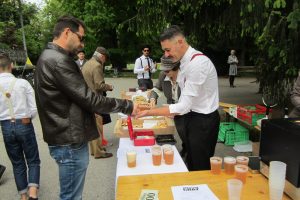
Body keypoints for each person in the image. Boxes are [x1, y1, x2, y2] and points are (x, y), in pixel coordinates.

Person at [34, 16, 136, 200]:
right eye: (81, 38)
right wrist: (127, 105)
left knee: (71, 194)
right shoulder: (58, 61)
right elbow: (90, 99)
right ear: (67, 32)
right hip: (69, 140)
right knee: (71, 196)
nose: (82, 44)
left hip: (64, 137)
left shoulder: (49, 57)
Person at [137, 25, 220, 171]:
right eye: (164, 51)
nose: (166, 55)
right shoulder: (184, 62)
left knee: (200, 167)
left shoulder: (198, 64)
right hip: (191, 117)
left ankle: (200, 191)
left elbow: (183, 106)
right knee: (191, 162)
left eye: (167, 50)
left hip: (203, 121)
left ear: (180, 42)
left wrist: (149, 112)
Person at [0, 52, 40, 200]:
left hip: (5, 125)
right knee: (33, 159)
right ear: (11, 66)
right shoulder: (23, 83)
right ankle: (33, 192)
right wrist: (27, 119)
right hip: (24, 123)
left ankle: (23, 196)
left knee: (17, 162)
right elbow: (34, 108)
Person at [149, 56, 186, 156]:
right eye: (164, 71)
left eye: (168, 71)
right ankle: (184, 146)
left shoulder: (185, 76)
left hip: (185, 108)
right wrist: (153, 98)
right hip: (171, 106)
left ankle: (186, 148)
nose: (166, 73)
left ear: (177, 68)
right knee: (176, 128)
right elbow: (156, 89)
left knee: (185, 130)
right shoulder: (163, 74)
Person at [82, 46, 113, 159]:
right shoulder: (97, 65)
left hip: (87, 98)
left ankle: (94, 150)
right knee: (97, 126)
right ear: (102, 56)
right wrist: (109, 87)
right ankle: (99, 152)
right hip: (95, 99)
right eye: (105, 58)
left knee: (92, 126)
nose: (105, 61)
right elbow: (99, 85)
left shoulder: (87, 63)